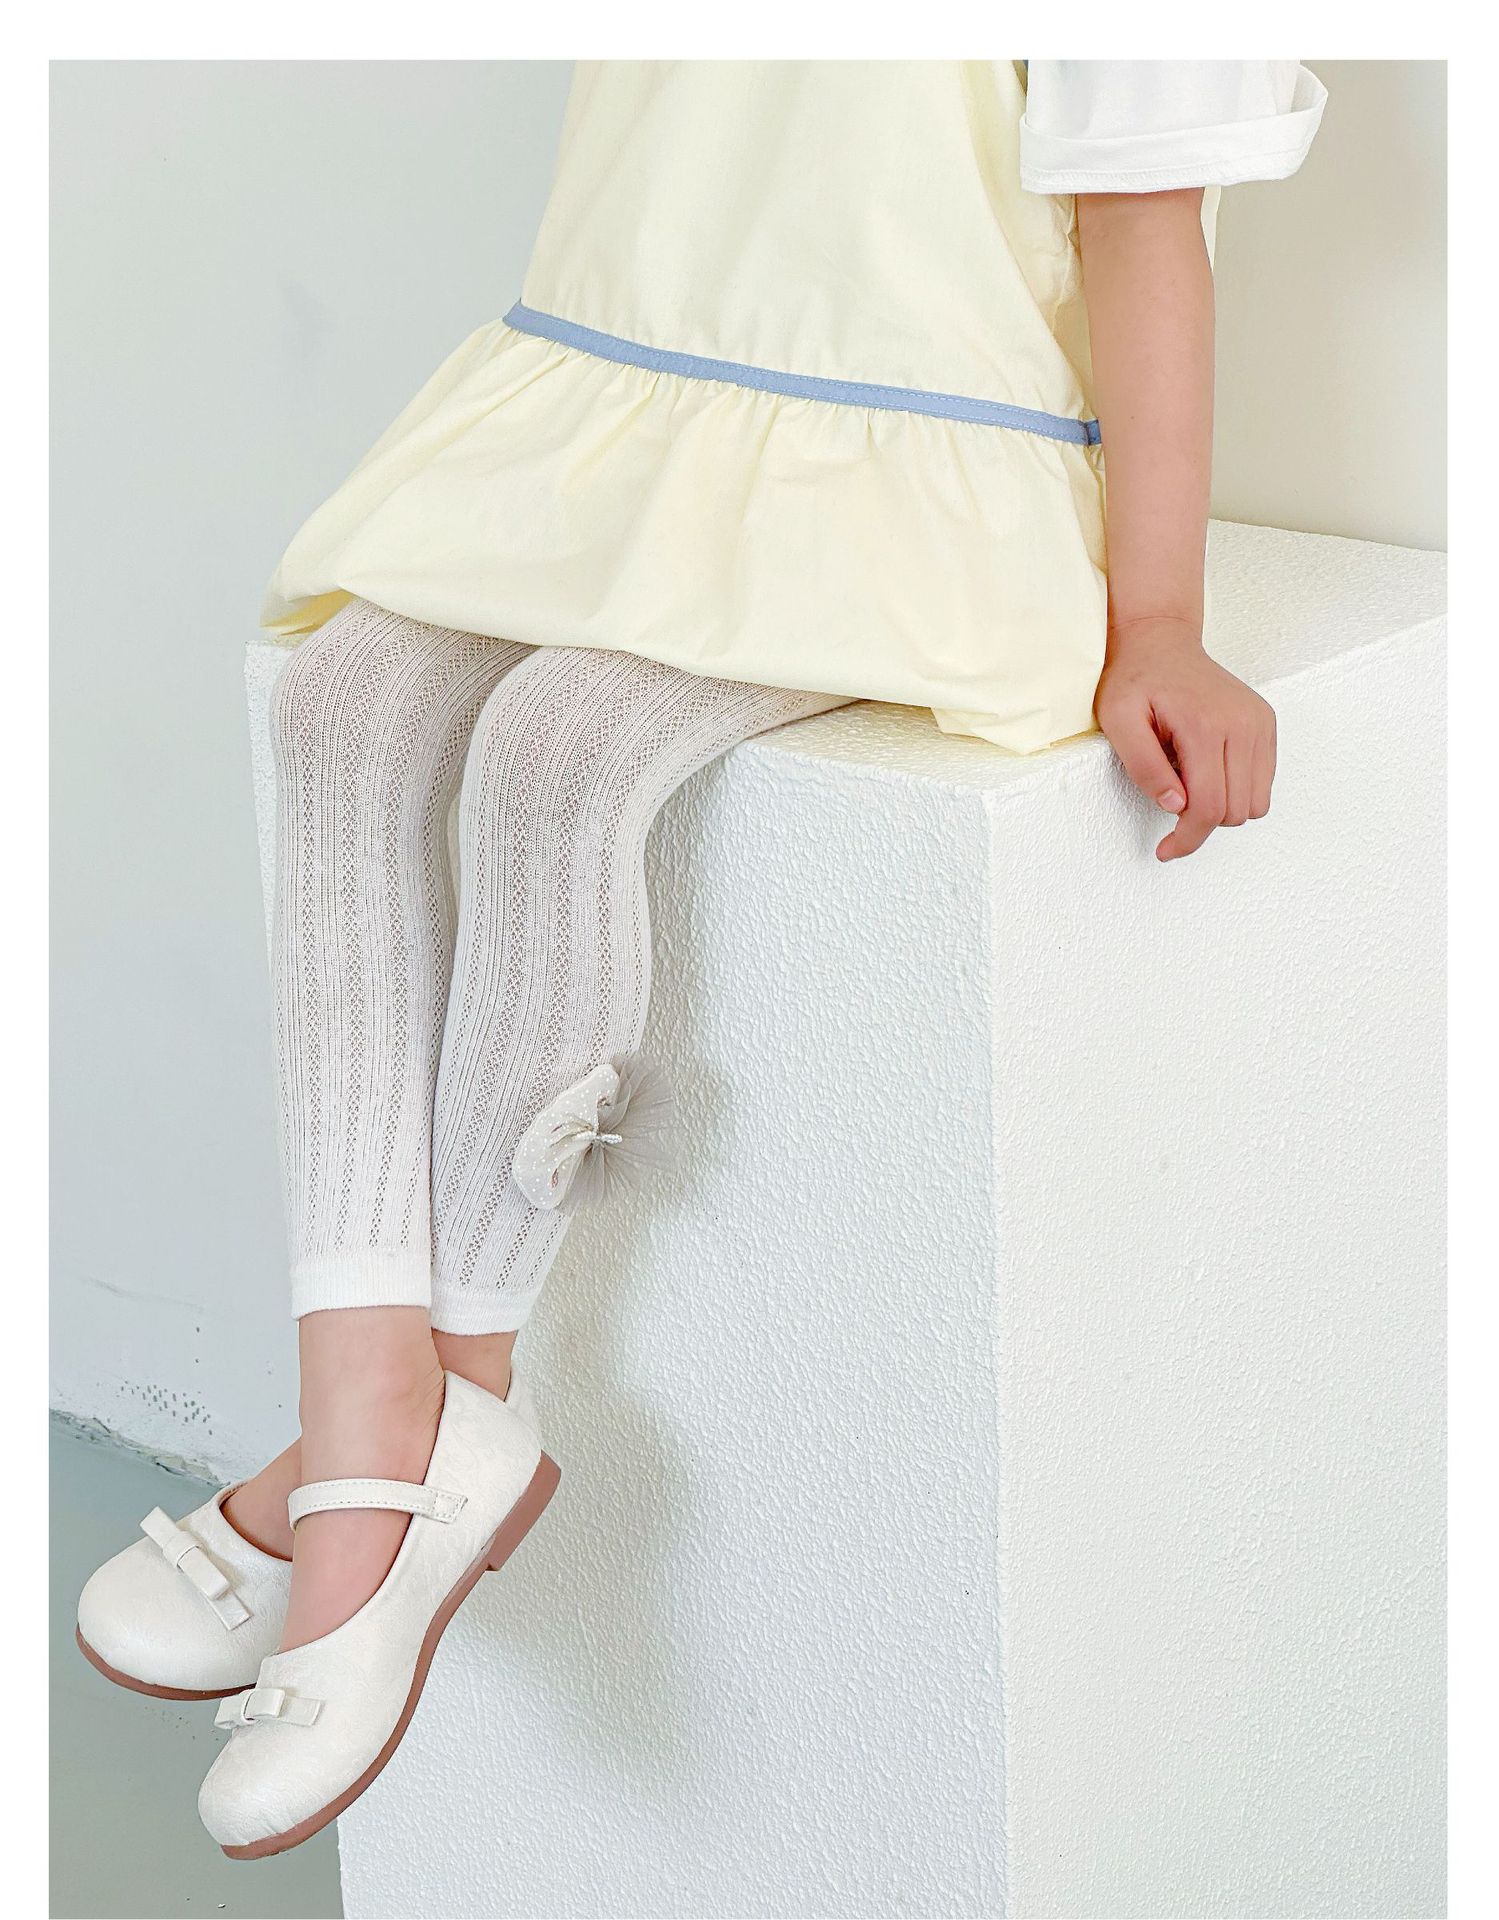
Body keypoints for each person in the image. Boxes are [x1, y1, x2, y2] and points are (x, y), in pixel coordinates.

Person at [75, 58, 1326, 1859]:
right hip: (609, 406)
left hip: (903, 458)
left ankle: (424, 1431)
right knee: (340, 708)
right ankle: (368, 1407)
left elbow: (1147, 218)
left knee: (556, 758)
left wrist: (1163, 617)